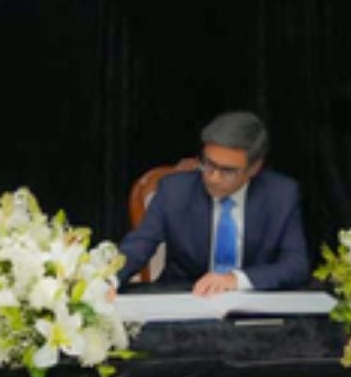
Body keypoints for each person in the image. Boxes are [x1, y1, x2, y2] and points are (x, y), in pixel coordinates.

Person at [117, 111, 310, 295]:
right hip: (185, 297)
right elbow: (139, 245)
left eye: (227, 170)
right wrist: (108, 280)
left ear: (254, 168)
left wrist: (236, 280)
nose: (213, 178)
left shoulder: (281, 195)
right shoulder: (174, 191)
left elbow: (296, 265)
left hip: (251, 300)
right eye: (208, 164)